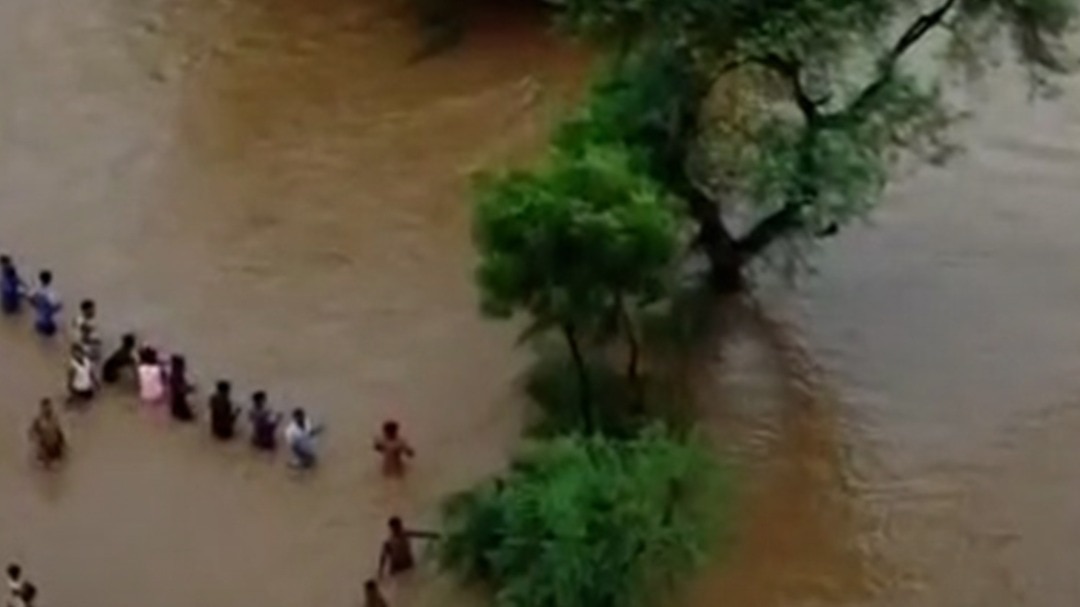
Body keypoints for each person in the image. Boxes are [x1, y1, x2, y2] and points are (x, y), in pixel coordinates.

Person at [28, 399, 66, 466]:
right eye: (46, 408)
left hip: (56, 446)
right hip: (45, 448)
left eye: (49, 407)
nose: (48, 410)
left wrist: (63, 443)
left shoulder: (55, 418)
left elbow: (59, 431)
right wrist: (37, 444)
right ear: (42, 409)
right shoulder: (39, 421)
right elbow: (31, 433)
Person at [27, 270, 61, 337]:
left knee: (39, 320)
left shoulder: (36, 288)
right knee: (50, 328)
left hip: (39, 309)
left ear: (40, 278)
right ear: (50, 280)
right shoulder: (52, 292)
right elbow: (55, 306)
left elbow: (29, 297)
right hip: (47, 312)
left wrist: (35, 305)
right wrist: (59, 307)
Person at [168, 355, 196, 422]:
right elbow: (180, 389)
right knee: (190, 419)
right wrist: (190, 389)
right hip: (180, 405)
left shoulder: (175, 373)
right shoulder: (177, 375)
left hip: (176, 404)